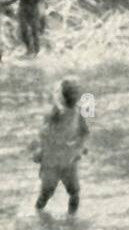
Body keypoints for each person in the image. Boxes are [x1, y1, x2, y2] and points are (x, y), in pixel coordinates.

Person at [34, 79, 89, 214]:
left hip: (58, 160)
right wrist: (81, 146)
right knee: (71, 192)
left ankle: (45, 216)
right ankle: (70, 219)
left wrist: (81, 146)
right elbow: (84, 132)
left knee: (60, 192)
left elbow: (84, 132)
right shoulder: (57, 113)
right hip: (61, 160)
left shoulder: (76, 113)